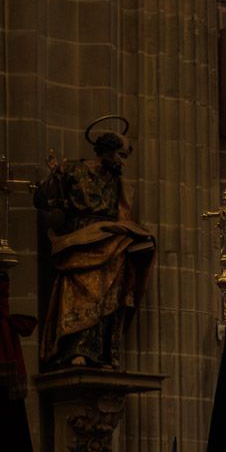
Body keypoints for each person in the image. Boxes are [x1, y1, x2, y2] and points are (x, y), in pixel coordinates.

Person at [32, 126, 157, 370]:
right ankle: (76, 350)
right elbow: (44, 201)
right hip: (81, 239)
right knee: (81, 295)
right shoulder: (74, 170)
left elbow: (123, 214)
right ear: (107, 152)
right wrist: (55, 175)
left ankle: (103, 354)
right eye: (121, 155)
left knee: (109, 298)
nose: (123, 162)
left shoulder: (119, 183)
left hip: (111, 243)